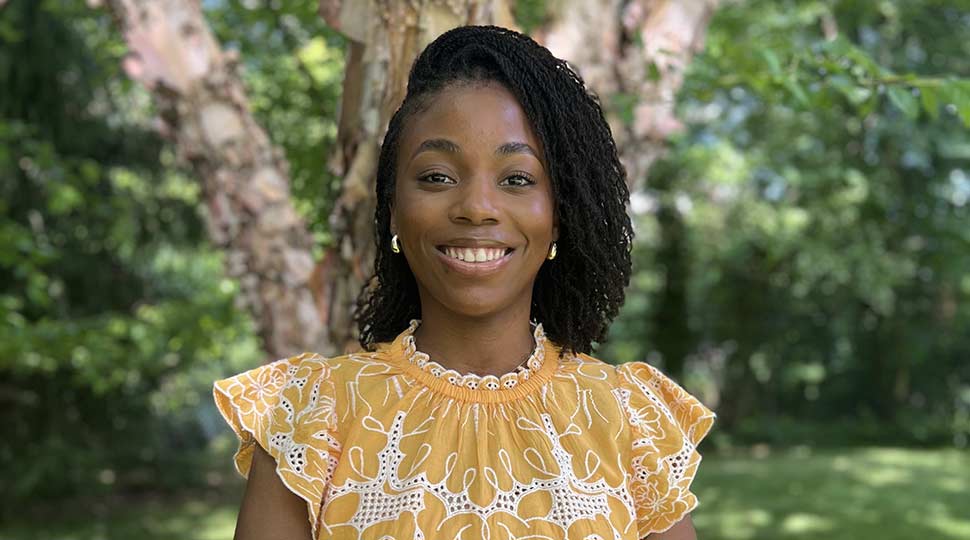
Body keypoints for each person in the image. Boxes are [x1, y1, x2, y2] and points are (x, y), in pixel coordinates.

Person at [214, 25, 715, 540]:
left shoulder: (629, 419)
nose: (477, 207)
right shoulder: (309, 420)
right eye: (437, 176)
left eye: (517, 179)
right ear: (392, 211)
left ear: (559, 216)